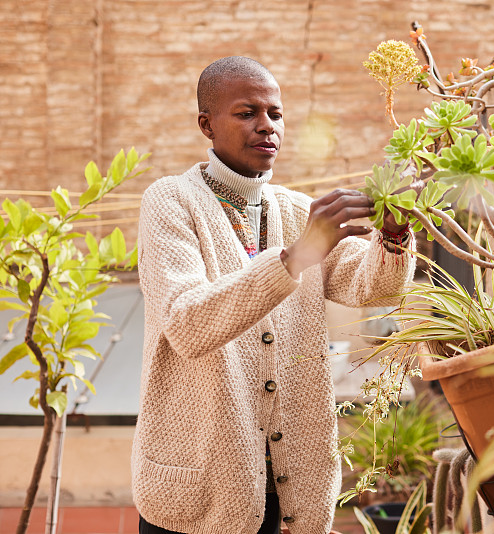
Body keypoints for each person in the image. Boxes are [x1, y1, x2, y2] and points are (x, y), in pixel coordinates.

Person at [132, 56, 415, 534]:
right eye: (247, 113)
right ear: (206, 124)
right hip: (196, 496)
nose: (267, 126)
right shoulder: (170, 201)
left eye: (276, 114)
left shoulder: (299, 210)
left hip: (290, 497)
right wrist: (296, 257)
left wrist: (393, 234)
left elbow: (376, 286)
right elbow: (186, 324)